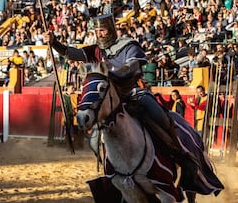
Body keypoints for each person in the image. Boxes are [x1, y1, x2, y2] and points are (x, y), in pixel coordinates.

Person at [44, 13, 198, 184]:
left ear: (110, 30)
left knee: (159, 115)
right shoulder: (96, 50)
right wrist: (54, 43)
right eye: (96, 31)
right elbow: (71, 53)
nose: (99, 34)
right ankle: (110, 169)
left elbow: (131, 66)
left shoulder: (128, 45)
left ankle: (180, 155)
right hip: (109, 99)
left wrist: (110, 75)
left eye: (102, 30)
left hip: (133, 93)